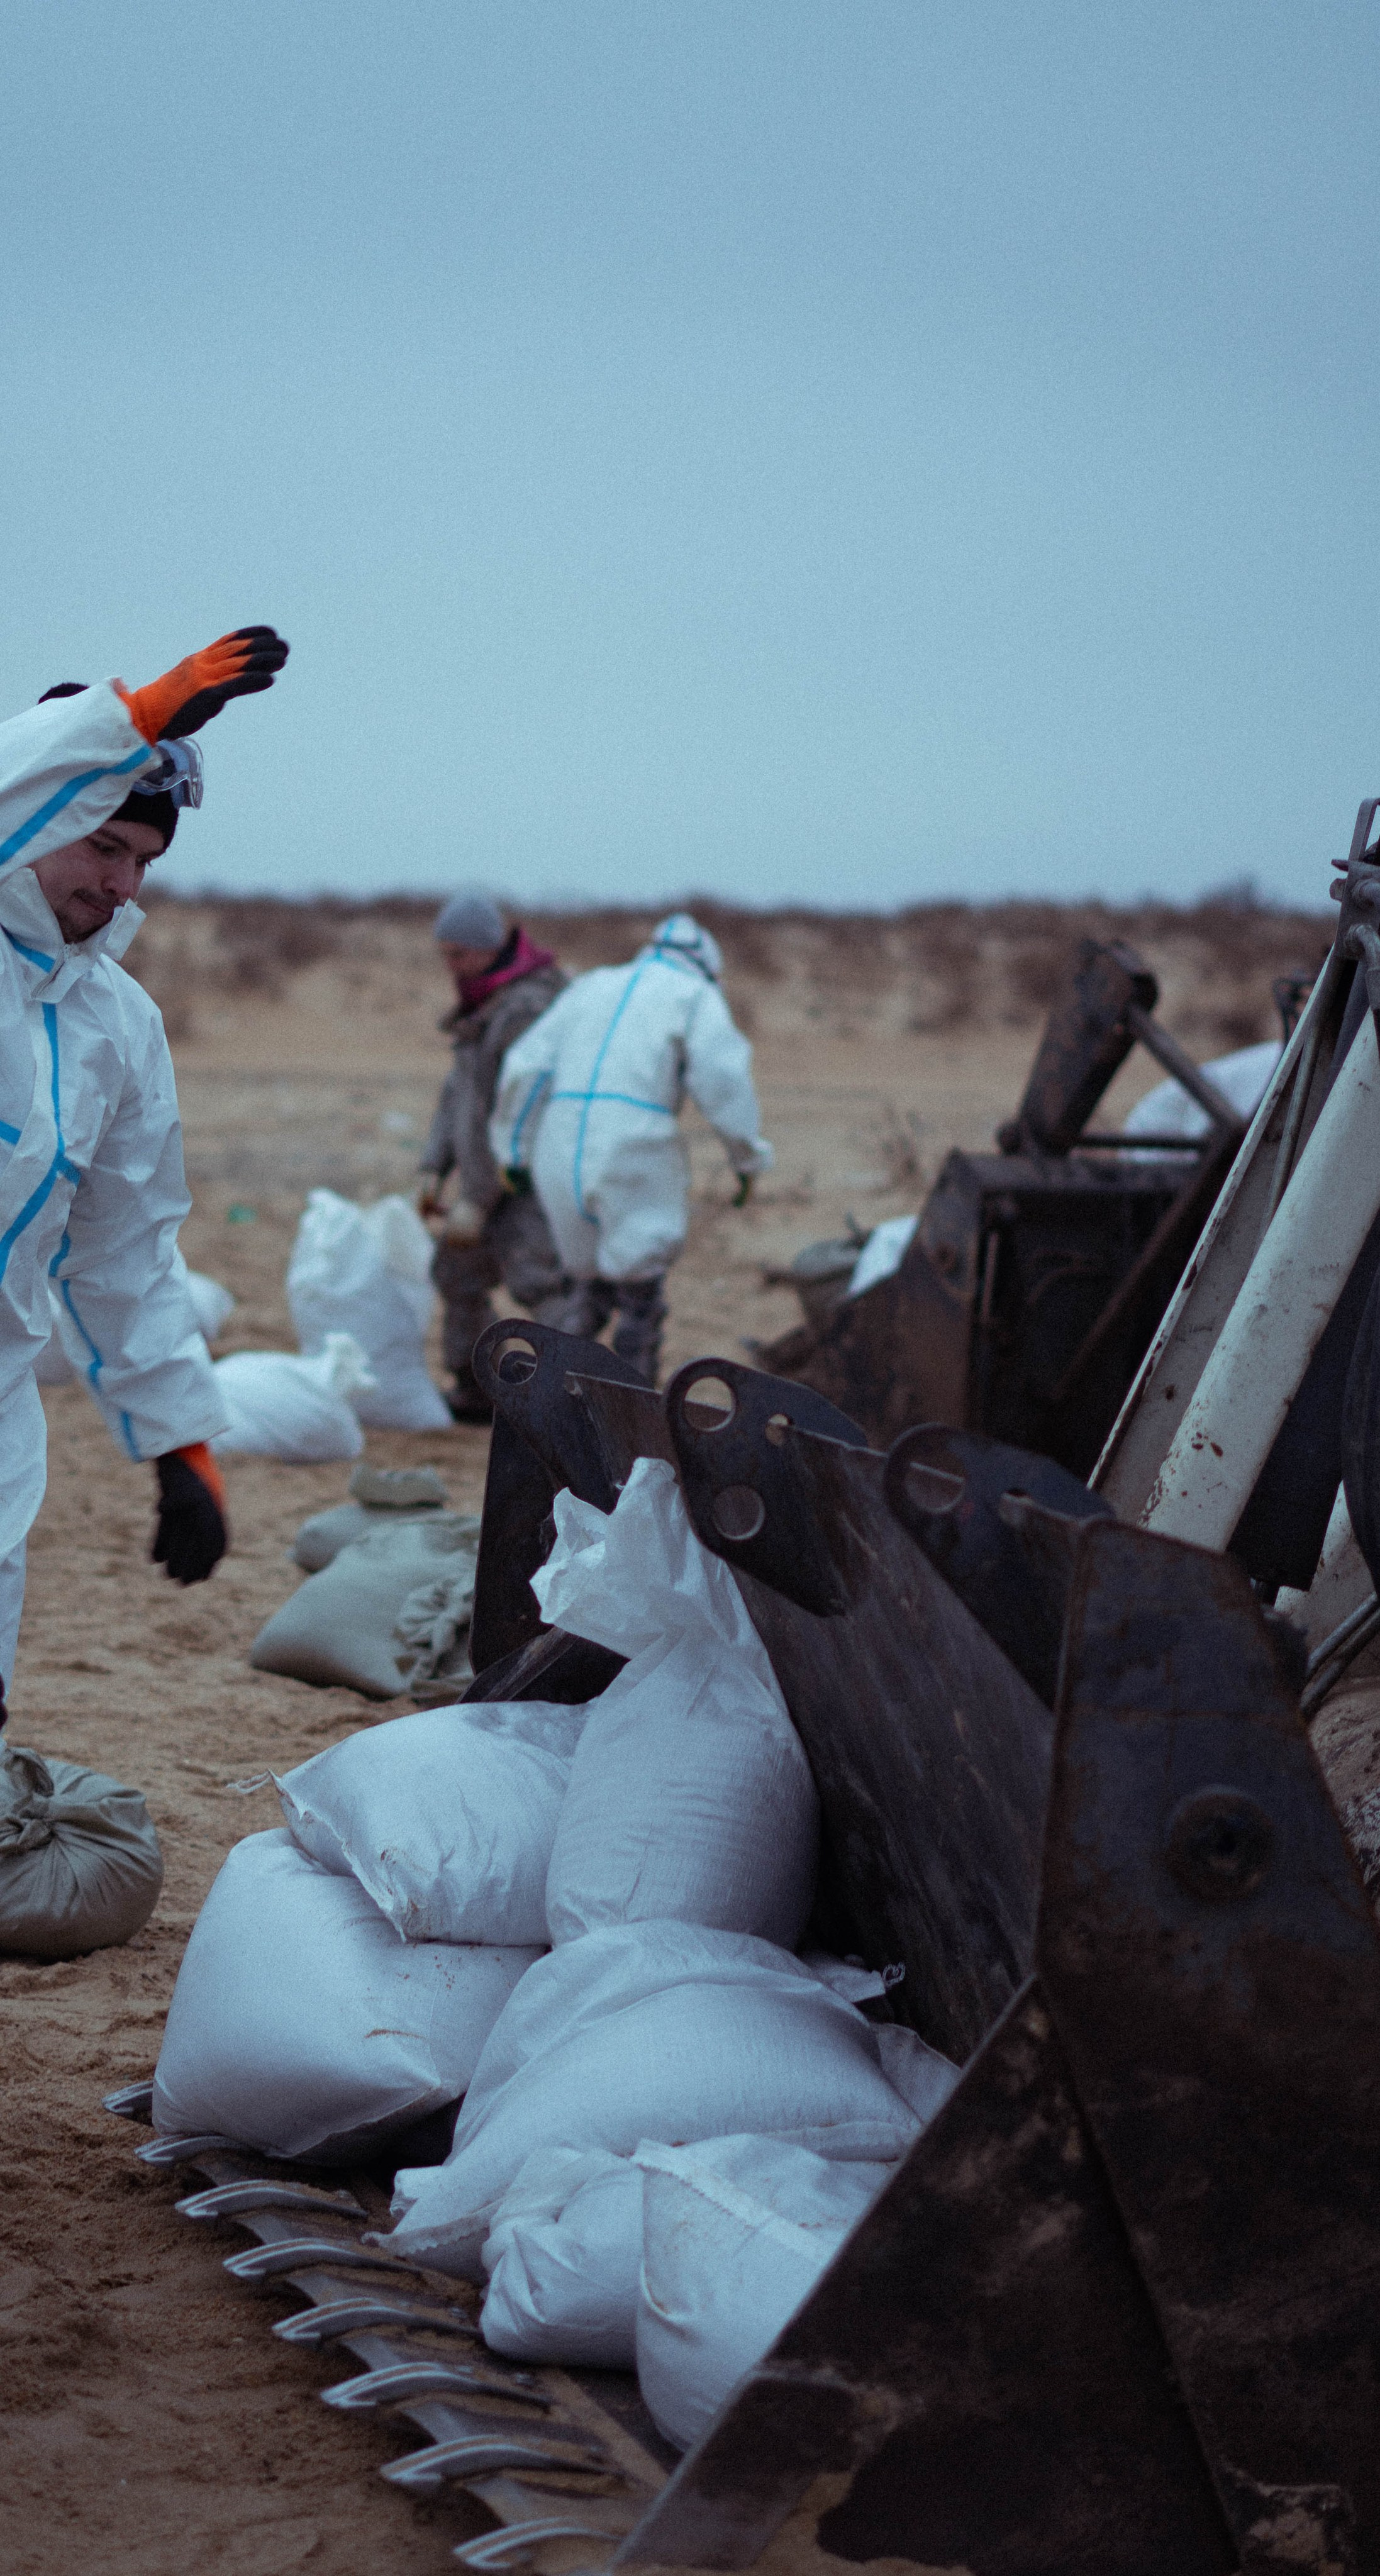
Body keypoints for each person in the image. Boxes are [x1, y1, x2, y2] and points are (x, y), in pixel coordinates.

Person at [0, 628, 289, 1706]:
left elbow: (122, 1251)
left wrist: (180, 1442)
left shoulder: (117, 1025)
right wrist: (127, 719)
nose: (124, 887)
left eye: (145, 863)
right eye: (104, 847)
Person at [489, 912, 773, 1386]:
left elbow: (526, 1066)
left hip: (559, 1143)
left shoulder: (592, 985)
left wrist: (514, 1151)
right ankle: (633, 1406)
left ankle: (547, 1396)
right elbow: (723, 1084)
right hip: (635, 1143)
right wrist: (747, 1160)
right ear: (708, 967)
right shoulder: (695, 996)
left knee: (585, 1286)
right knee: (640, 1291)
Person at [416, 887, 576, 1421]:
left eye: (458, 954)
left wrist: (479, 1201)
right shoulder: (483, 1003)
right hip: (484, 1179)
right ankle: (476, 1386)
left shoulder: (528, 1010)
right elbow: (458, 1094)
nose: (451, 967)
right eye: (446, 956)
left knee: (541, 1284)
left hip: (526, 1178)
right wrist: (433, 1166)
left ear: (488, 948)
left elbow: (511, 1110)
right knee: (457, 1273)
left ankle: (569, 1394)